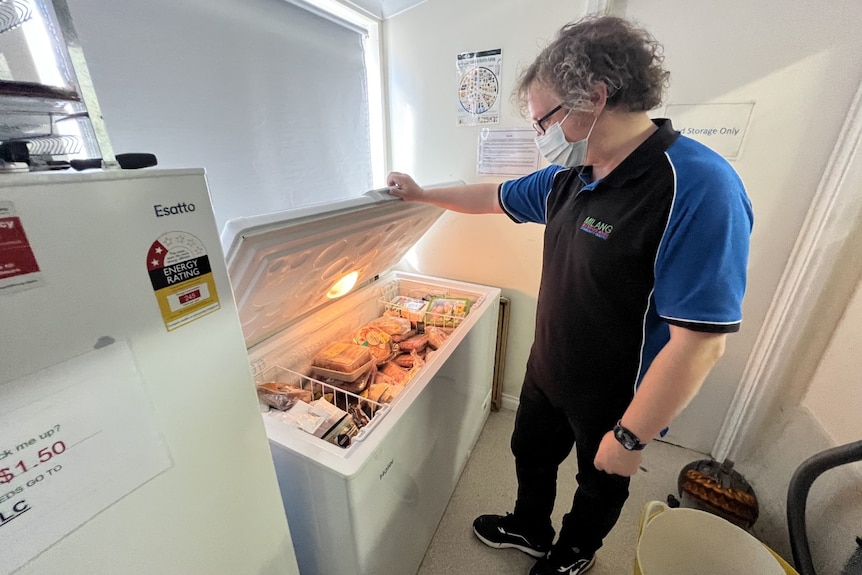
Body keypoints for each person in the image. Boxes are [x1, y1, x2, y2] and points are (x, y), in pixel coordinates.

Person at [387, 14, 753, 575]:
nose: (541, 136)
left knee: (600, 479)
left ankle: (573, 553)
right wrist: (419, 194)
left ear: (595, 97)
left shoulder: (698, 187)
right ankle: (531, 528)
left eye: (545, 120)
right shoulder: (570, 178)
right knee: (529, 452)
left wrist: (630, 437)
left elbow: (701, 343)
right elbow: (491, 197)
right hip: (550, 362)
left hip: (617, 391)